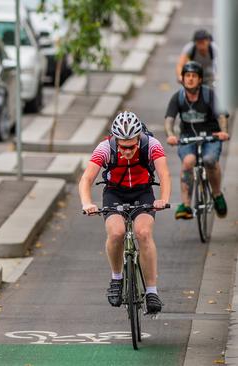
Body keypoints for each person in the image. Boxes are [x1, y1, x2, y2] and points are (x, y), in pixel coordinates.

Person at [79, 111, 171, 314]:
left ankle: (152, 291)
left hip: (143, 193)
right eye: (123, 146)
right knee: (116, 233)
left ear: (139, 138)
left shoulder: (151, 145)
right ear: (115, 140)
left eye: (131, 146)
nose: (127, 151)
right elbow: (86, 179)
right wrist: (87, 203)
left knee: (144, 233)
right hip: (115, 194)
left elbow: (164, 175)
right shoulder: (105, 148)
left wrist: (162, 199)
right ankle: (116, 278)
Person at [165, 61, 230, 219]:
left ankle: (217, 195)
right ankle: (186, 205)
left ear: (200, 79)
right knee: (188, 161)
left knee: (209, 160)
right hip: (188, 138)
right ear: (183, 78)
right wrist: (170, 135)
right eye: (187, 76)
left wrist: (223, 132)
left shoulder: (209, 95)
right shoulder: (178, 97)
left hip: (211, 137)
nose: (190, 79)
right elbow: (169, 119)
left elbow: (221, 115)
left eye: (194, 76)